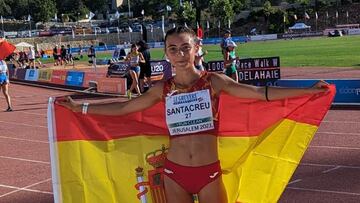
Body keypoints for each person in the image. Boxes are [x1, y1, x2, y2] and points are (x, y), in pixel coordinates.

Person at [59, 26, 329, 203]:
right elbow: (124, 108)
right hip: (174, 173)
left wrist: (306, 92)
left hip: (208, 173)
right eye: (173, 49)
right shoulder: (161, 89)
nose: (179, 54)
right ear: (166, 54)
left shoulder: (214, 82)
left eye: (185, 47)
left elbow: (259, 93)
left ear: (196, 49)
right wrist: (81, 108)